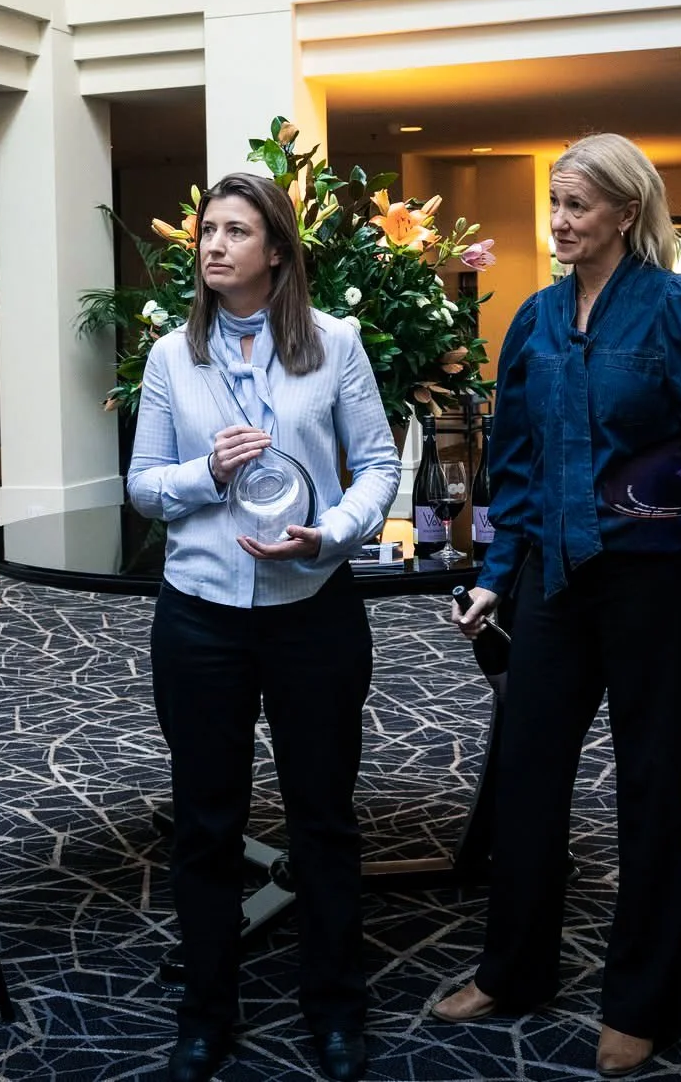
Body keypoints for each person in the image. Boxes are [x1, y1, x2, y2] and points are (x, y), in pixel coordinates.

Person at [431, 133, 681, 1077]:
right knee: (527, 779)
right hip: (551, 580)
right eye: (554, 204)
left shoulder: (678, 307)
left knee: (649, 785)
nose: (558, 223)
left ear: (626, 212)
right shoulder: (536, 320)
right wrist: (494, 575)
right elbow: (515, 470)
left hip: (653, 581)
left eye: (577, 207)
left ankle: (642, 1001)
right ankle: (515, 969)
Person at [128, 172, 401, 1082]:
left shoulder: (337, 344)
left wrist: (333, 535)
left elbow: (376, 463)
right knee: (207, 824)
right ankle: (205, 1016)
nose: (212, 246)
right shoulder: (174, 356)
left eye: (235, 232)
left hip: (311, 613)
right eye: (206, 230)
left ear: (276, 251)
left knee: (323, 820)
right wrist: (206, 471)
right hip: (200, 618)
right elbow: (143, 486)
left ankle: (336, 1011)